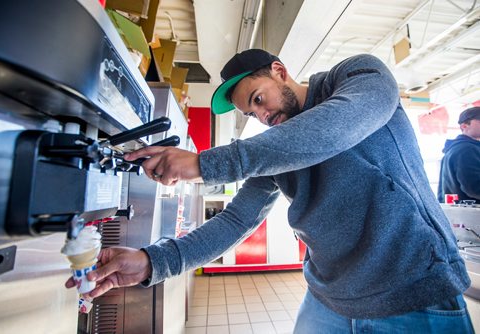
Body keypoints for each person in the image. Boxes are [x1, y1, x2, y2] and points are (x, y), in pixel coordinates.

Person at [66, 49, 474, 333]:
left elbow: (333, 130)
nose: (262, 115)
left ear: (279, 71)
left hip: (415, 293)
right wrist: (152, 261)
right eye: (252, 112)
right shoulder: (278, 151)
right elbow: (236, 220)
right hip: (328, 301)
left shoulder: (359, 77)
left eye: (258, 99)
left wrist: (202, 164)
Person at [437, 106, 480, 203]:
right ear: (464, 126)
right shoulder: (466, 149)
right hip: (472, 215)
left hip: (458, 214)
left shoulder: (454, 148)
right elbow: (474, 187)